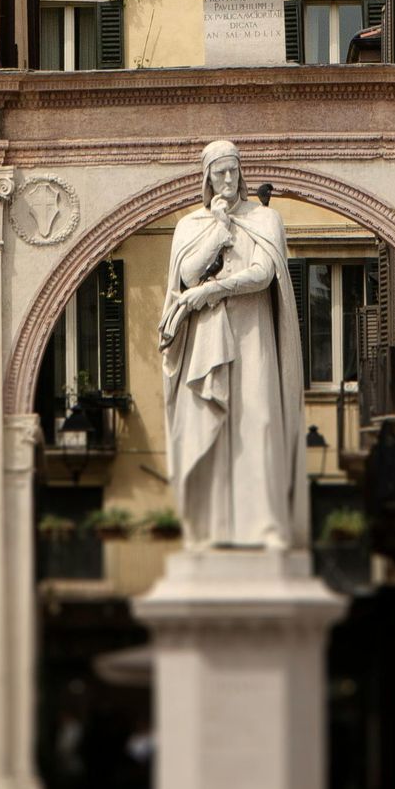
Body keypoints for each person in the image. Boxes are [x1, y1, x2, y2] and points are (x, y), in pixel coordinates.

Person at [157, 138, 305, 548]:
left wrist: (214, 290)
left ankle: (265, 526)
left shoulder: (263, 218)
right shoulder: (191, 225)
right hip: (208, 336)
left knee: (257, 422)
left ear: (242, 174)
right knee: (214, 427)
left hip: (253, 332)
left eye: (233, 171)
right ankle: (212, 527)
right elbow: (186, 275)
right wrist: (219, 231)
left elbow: (262, 273)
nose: (226, 179)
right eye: (218, 172)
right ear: (206, 178)